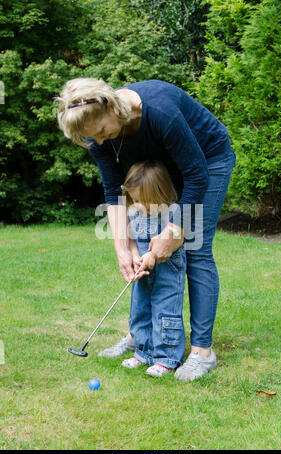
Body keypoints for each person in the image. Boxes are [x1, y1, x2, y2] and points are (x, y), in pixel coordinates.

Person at [56, 77, 236, 381]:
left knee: (195, 246)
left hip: (207, 162)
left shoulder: (160, 111)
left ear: (111, 107)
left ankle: (203, 352)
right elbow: (114, 189)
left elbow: (196, 175)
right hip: (163, 171)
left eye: (101, 132)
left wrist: (174, 232)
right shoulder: (97, 136)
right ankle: (141, 337)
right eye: (92, 138)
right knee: (141, 247)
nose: (100, 142)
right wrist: (122, 247)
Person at [119, 160, 186, 377]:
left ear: (159, 193)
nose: (138, 205)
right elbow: (130, 239)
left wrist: (153, 255)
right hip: (144, 273)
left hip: (168, 272)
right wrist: (136, 255)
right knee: (140, 310)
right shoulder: (135, 212)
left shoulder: (174, 212)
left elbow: (177, 237)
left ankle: (166, 358)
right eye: (134, 199)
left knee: (165, 311)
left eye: (143, 200)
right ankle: (143, 353)